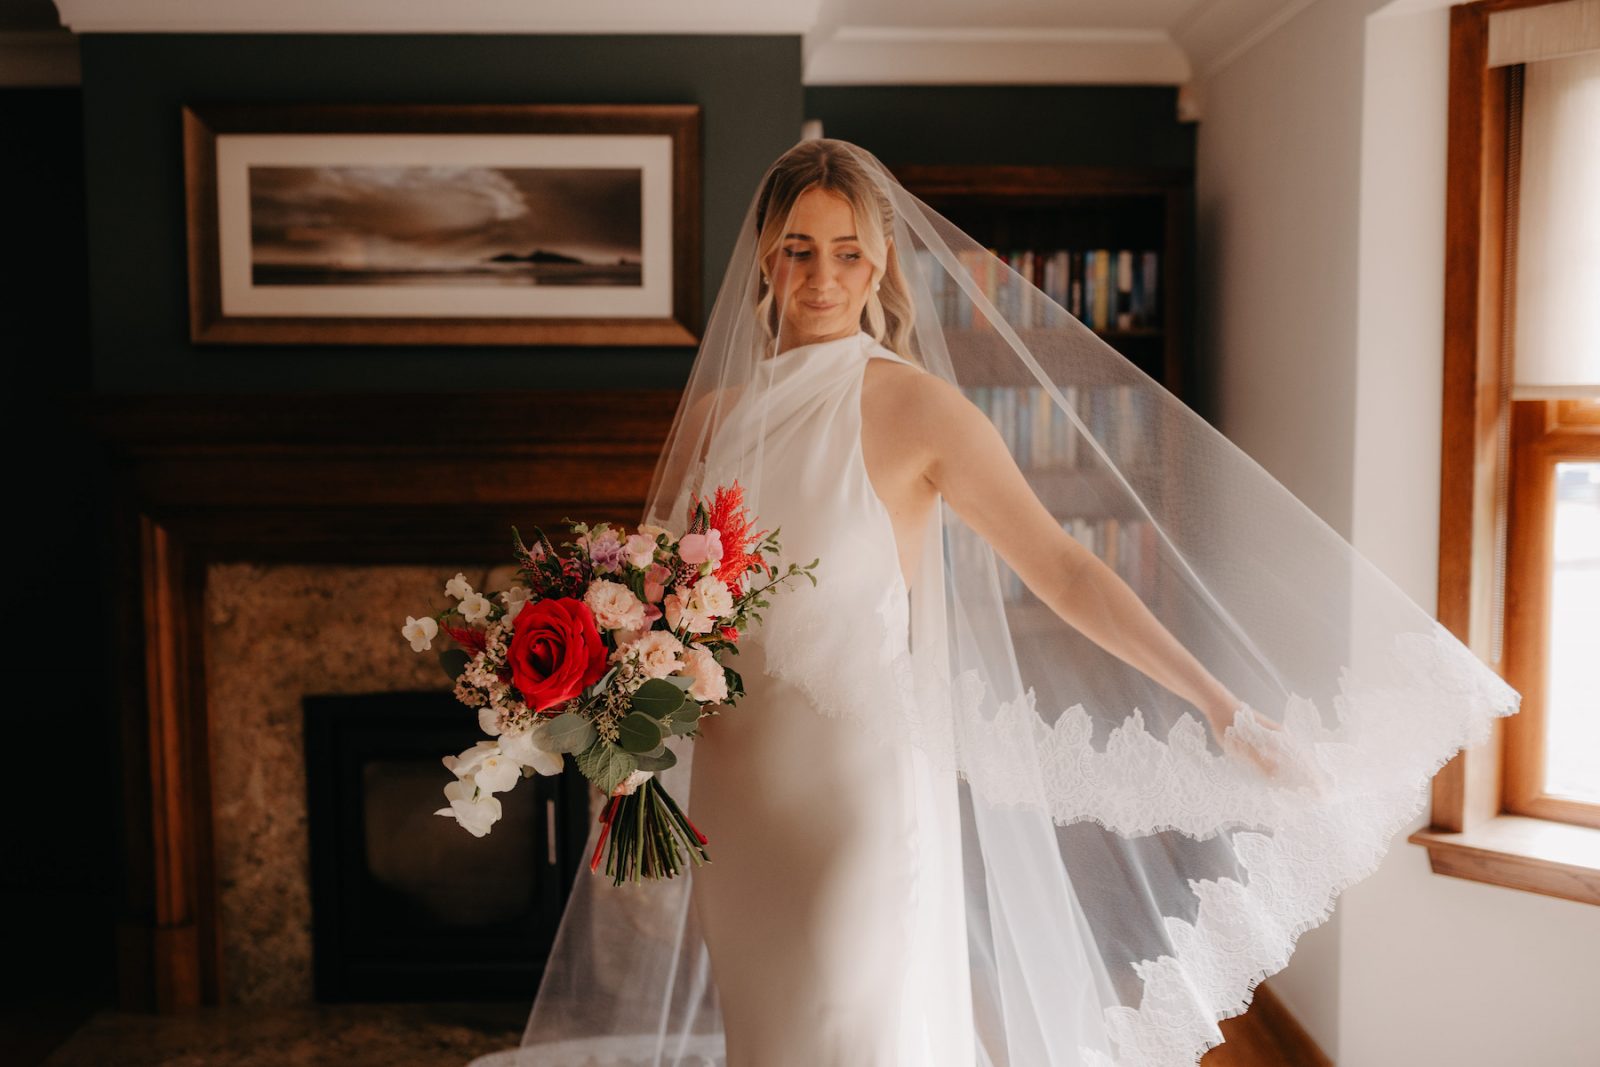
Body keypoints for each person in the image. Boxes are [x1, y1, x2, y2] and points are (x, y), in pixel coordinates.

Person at [469, 137, 1519, 1067]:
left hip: (852, 805)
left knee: (850, 1031)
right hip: (734, 806)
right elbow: (667, 615)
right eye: (798, 247)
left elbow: (1062, 566)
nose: (822, 275)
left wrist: (1218, 703)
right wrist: (624, 735)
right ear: (765, 258)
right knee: (768, 1041)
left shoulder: (917, 407)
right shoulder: (717, 413)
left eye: (847, 250)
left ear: (879, 264)